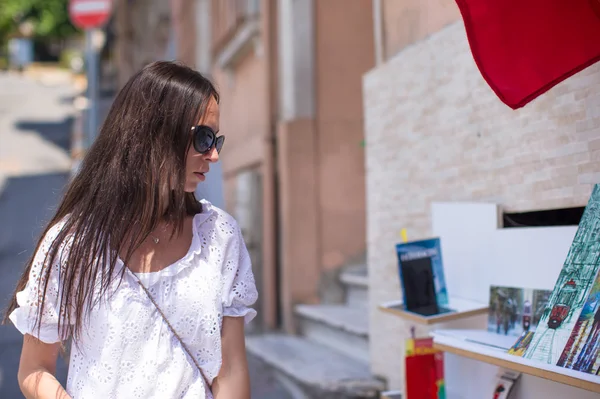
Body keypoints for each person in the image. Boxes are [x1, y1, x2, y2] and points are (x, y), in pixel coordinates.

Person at [3, 61, 258, 399]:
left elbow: (230, 370)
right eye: (204, 138)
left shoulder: (219, 237)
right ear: (155, 133)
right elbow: (34, 369)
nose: (213, 155)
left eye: (217, 141)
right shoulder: (73, 244)